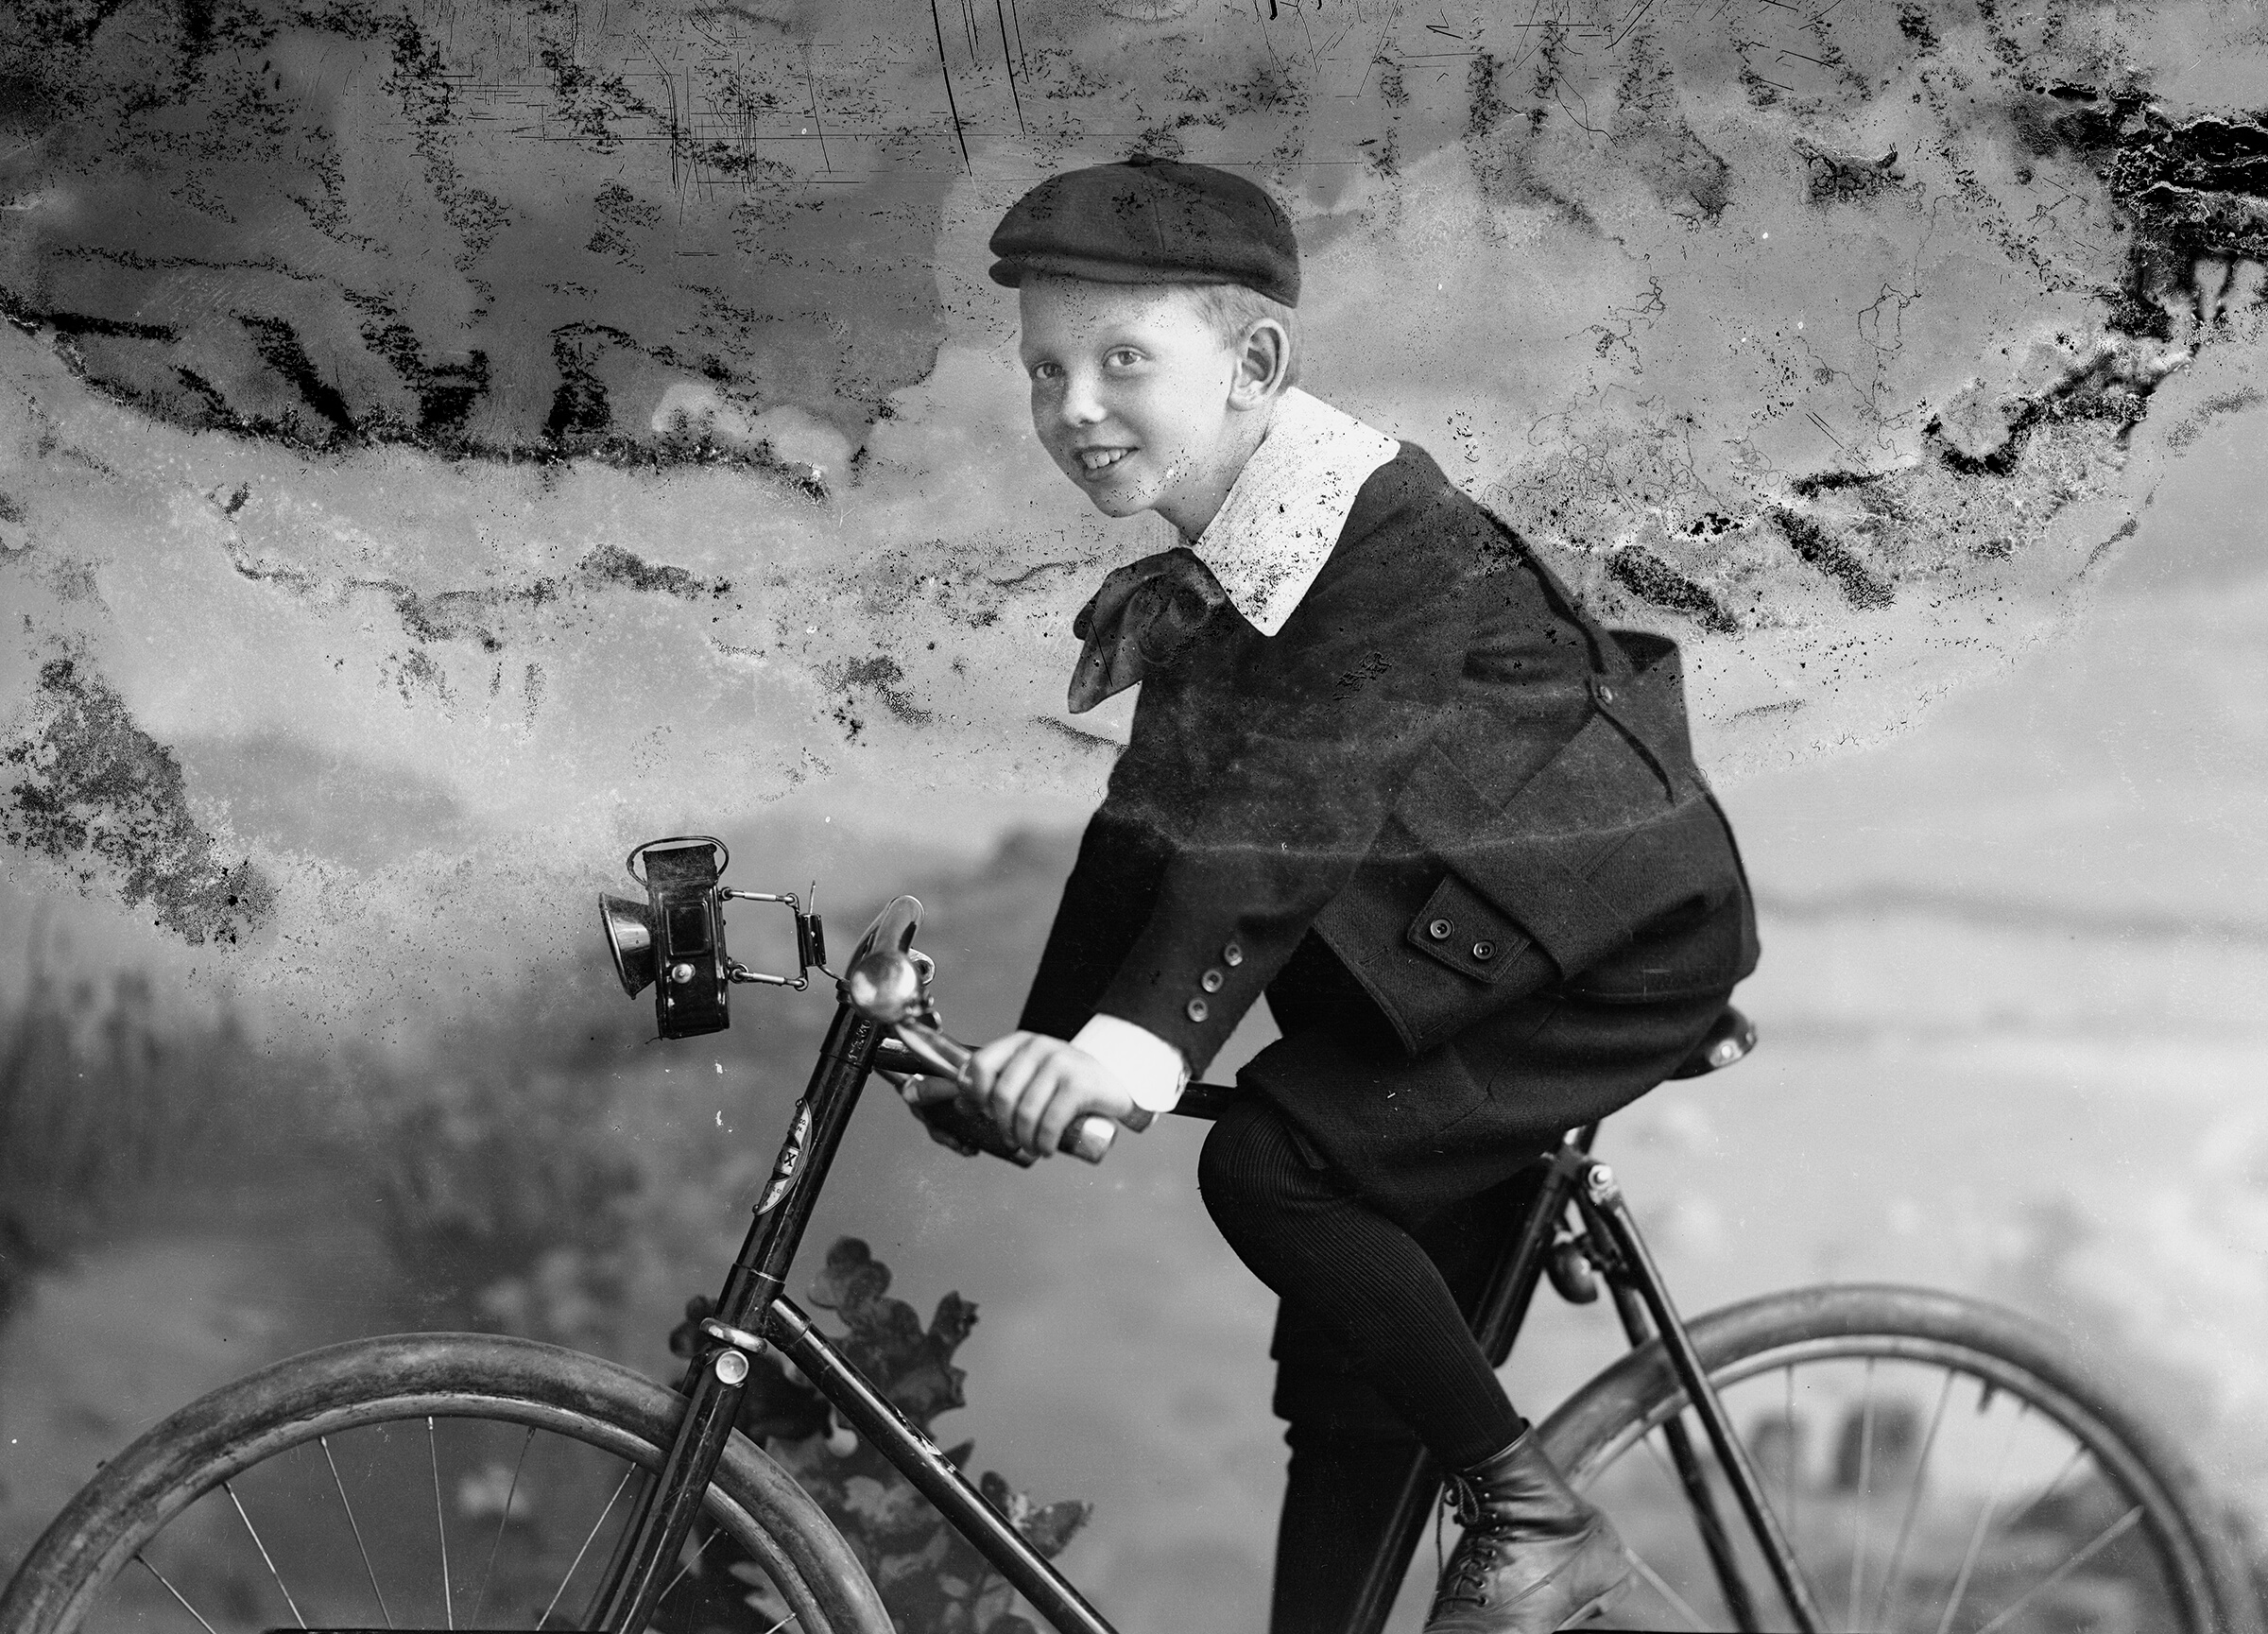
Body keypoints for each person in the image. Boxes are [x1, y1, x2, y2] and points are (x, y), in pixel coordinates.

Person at [905, 155, 1759, 1634]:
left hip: (1606, 961)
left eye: (1121, 362)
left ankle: (1542, 1519)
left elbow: (1283, 830)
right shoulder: (1228, 553)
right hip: (1458, 970)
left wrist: (1117, 1055)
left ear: (1256, 365)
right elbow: (1146, 836)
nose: (1074, 410)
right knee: (1356, 1398)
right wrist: (1026, 1058)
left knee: (1278, 1163)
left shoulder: (1380, 543)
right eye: (1045, 371)